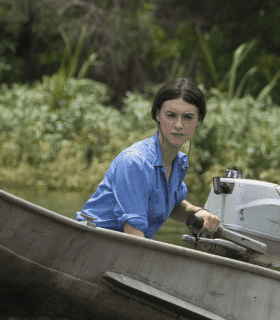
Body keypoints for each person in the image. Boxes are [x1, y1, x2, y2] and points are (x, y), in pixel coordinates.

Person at [77, 78, 221, 239]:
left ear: (199, 120)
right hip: (91, 243)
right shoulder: (135, 162)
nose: (179, 125)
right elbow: (133, 233)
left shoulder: (179, 163)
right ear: (158, 114)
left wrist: (196, 212)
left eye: (188, 117)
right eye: (171, 115)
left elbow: (172, 205)